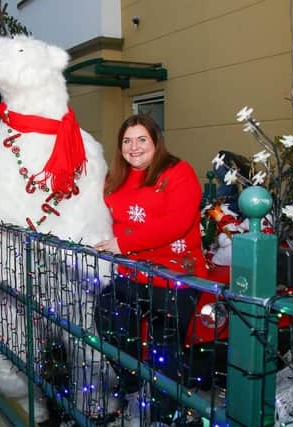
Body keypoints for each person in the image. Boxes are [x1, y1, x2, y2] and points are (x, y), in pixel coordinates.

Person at [94, 114, 207, 426]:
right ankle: (131, 384)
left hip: (174, 277)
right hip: (131, 274)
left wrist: (124, 243)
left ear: (156, 142)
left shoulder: (178, 172)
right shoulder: (115, 178)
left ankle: (165, 414)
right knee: (108, 319)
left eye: (142, 139)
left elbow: (176, 223)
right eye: (127, 140)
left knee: (164, 347)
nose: (134, 147)